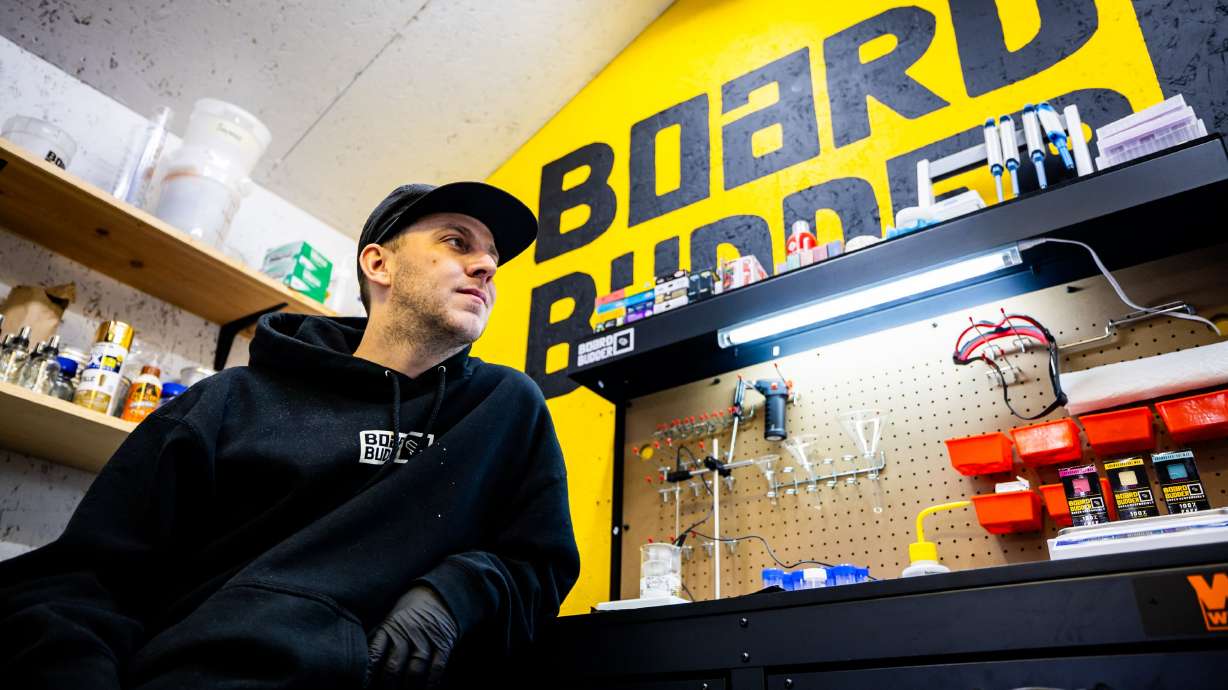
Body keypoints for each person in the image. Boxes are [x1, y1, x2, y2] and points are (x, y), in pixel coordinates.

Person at [0, 182, 581, 689]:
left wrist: (454, 595)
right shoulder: (227, 402)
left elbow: (542, 565)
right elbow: (82, 584)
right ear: (379, 264)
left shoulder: (506, 407)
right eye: (457, 242)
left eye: (493, 257)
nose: (486, 267)